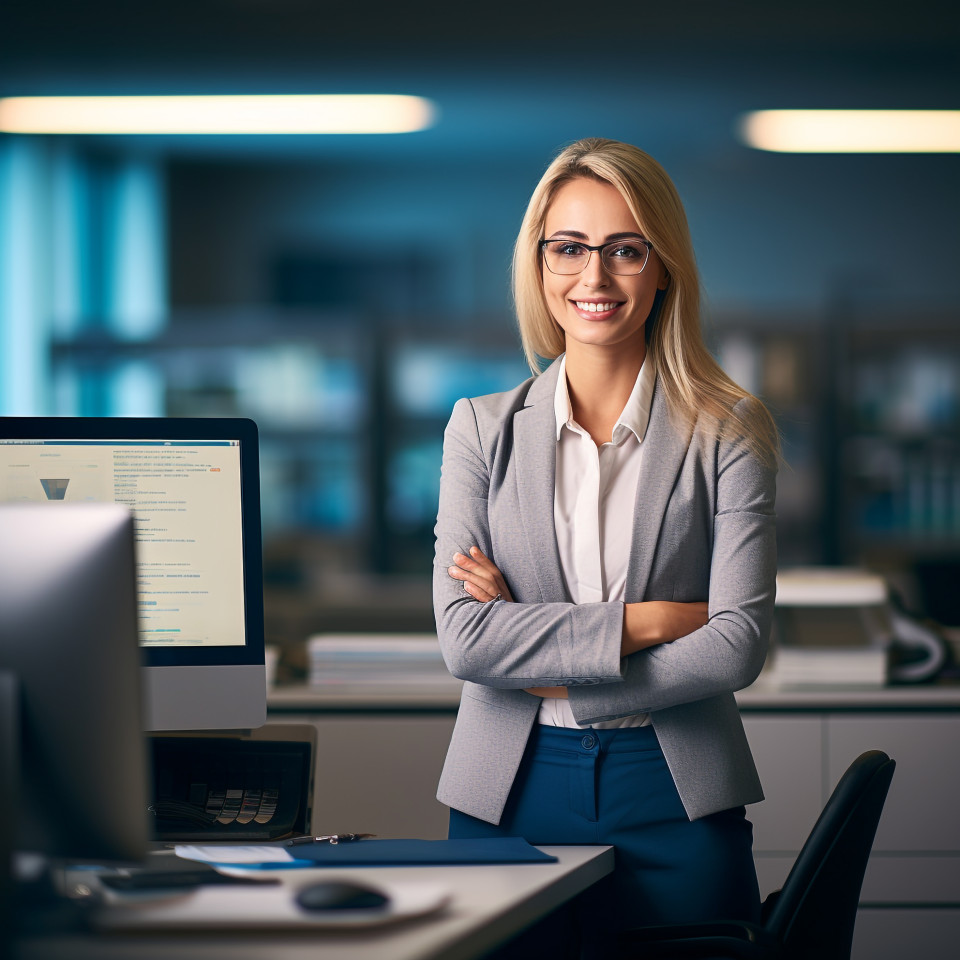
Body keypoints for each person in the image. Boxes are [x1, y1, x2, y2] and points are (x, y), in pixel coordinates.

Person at [433, 137, 779, 958]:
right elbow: (467, 641)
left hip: (675, 788)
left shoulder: (728, 429)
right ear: (539, 265)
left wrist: (551, 665)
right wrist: (653, 620)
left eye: (626, 250)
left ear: (663, 269)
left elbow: (735, 646)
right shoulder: (479, 429)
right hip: (508, 787)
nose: (595, 276)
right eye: (569, 248)